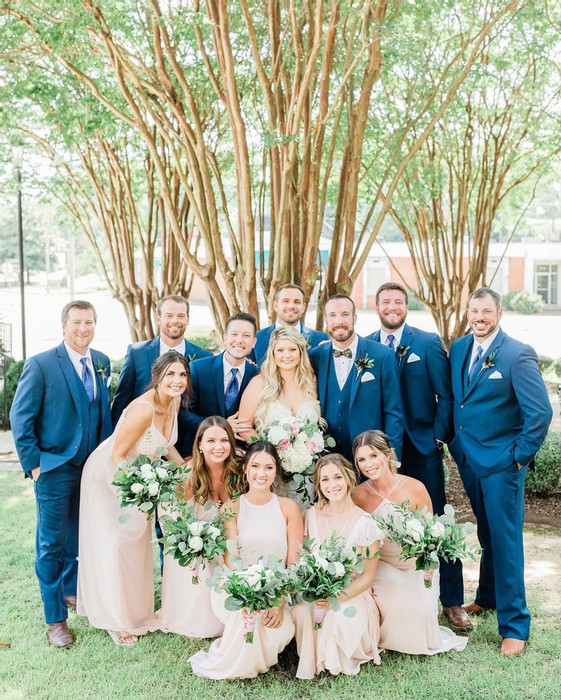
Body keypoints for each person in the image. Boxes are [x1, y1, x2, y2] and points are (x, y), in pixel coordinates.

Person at [448, 287, 552, 657]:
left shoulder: (517, 354)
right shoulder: (459, 348)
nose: (479, 317)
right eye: (474, 311)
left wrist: (518, 458)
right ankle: (488, 596)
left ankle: (515, 626)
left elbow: (540, 413)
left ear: (499, 313)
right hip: (468, 458)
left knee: (506, 541)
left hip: (503, 465)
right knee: (486, 531)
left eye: (486, 311)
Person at [10, 300, 112, 648]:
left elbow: (102, 413)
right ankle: (56, 620)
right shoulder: (41, 365)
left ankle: (71, 589)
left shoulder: (101, 362)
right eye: (77, 322)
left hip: (92, 469)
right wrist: (35, 466)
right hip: (53, 469)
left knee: (79, 536)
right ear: (64, 325)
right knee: (51, 544)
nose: (83, 329)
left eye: (89, 322)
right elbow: (21, 418)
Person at [367, 282, 469, 632]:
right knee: (379, 521)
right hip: (379, 453)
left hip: (421, 447)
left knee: (437, 520)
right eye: (385, 301)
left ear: (406, 307)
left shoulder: (426, 343)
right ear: (376, 306)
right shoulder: (366, 345)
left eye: (398, 301)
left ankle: (453, 601)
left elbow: (447, 395)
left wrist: (437, 436)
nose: (392, 306)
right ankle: (385, 594)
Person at [77, 352, 190, 646]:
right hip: (109, 476)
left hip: (141, 475)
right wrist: (142, 489)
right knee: (117, 544)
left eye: (182, 375)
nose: (177, 381)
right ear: (157, 377)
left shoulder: (174, 401)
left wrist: (186, 471)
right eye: (170, 374)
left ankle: (135, 611)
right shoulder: (143, 410)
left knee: (136, 545)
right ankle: (115, 620)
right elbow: (118, 455)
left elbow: (164, 445)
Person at [189, 441, 303, 680]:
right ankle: (239, 664)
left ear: (276, 471)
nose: (262, 473)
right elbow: (231, 562)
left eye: (269, 467)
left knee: (275, 627)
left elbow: (294, 563)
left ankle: (251, 655)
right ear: (245, 469)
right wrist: (247, 598)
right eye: (256, 466)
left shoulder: (289, 508)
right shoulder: (231, 508)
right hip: (235, 587)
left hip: (279, 589)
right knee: (249, 617)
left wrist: (279, 601)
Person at [352, 430, 468, 656]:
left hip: (416, 565)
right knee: (395, 598)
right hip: (381, 565)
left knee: (420, 608)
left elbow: (431, 535)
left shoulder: (415, 488)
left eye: (373, 456)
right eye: (361, 459)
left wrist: (429, 566)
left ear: (387, 454)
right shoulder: (358, 495)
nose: (368, 464)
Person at [292, 454, 382, 679]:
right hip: (318, 593)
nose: (332, 485)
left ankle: (332, 661)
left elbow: (367, 577)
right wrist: (314, 592)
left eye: (338, 477)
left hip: (352, 594)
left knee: (339, 616)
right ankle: (312, 658)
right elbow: (302, 561)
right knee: (302, 610)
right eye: (325, 479)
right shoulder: (311, 515)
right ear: (319, 485)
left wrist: (336, 597)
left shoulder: (367, 524)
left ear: (349, 478)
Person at [158, 416, 243, 638]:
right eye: (211, 441)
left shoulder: (236, 471)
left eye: (224, 440)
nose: (218, 447)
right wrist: (190, 546)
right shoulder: (189, 473)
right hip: (191, 539)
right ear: (200, 445)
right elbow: (171, 514)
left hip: (223, 537)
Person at [111, 295, 211, 456]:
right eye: (169, 315)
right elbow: (121, 400)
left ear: (188, 319)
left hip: (184, 449)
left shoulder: (203, 358)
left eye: (180, 316)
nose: (175, 321)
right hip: (139, 447)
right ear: (158, 318)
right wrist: (113, 441)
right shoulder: (137, 353)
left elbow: (202, 405)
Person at [309, 294, 404, 463]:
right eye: (333, 315)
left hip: (369, 456)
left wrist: (392, 457)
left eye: (345, 314)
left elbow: (393, 411)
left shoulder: (382, 355)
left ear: (354, 318)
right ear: (326, 320)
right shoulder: (315, 356)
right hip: (326, 458)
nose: (339, 321)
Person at [182, 313, 259, 454]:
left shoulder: (257, 375)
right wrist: (219, 425)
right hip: (200, 452)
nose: (239, 340)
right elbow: (184, 413)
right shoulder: (199, 368)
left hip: (240, 453)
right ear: (225, 338)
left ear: (254, 342)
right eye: (234, 334)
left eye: (246, 335)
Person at [253, 283, 328, 365]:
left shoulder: (320, 339)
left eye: (297, 302)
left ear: (303, 307)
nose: (291, 306)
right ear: (275, 306)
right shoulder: (257, 338)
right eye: (285, 301)